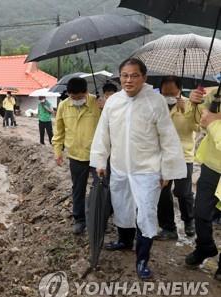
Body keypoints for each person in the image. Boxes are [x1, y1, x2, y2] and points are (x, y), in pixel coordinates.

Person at [90, 58, 186, 279]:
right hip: (120, 167)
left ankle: (142, 259)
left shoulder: (155, 102)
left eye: (134, 75)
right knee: (122, 206)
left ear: (144, 77)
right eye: (125, 75)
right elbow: (103, 133)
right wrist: (100, 161)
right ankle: (124, 240)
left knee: (146, 213)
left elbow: (168, 138)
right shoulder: (113, 102)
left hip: (148, 169)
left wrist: (167, 171)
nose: (129, 80)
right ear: (119, 77)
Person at [53, 77, 101, 234]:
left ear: (86, 92)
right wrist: (57, 151)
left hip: (97, 155)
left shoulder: (97, 103)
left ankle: (99, 218)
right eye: (73, 97)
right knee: (78, 189)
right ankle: (79, 219)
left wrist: (105, 106)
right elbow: (59, 131)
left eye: (79, 97)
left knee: (100, 188)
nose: (76, 100)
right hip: (75, 155)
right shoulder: (63, 106)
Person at [184, 89, 221, 280]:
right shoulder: (215, 93)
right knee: (200, 212)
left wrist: (214, 123)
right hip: (212, 166)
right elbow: (197, 124)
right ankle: (205, 246)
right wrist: (194, 104)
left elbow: (212, 124)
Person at [155, 76, 198, 240]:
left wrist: (187, 111)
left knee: (182, 191)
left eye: (172, 93)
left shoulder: (190, 104)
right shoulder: (157, 105)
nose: (168, 96)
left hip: (183, 155)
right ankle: (168, 227)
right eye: (165, 93)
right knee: (162, 191)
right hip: (162, 154)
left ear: (179, 90)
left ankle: (189, 220)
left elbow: (198, 127)